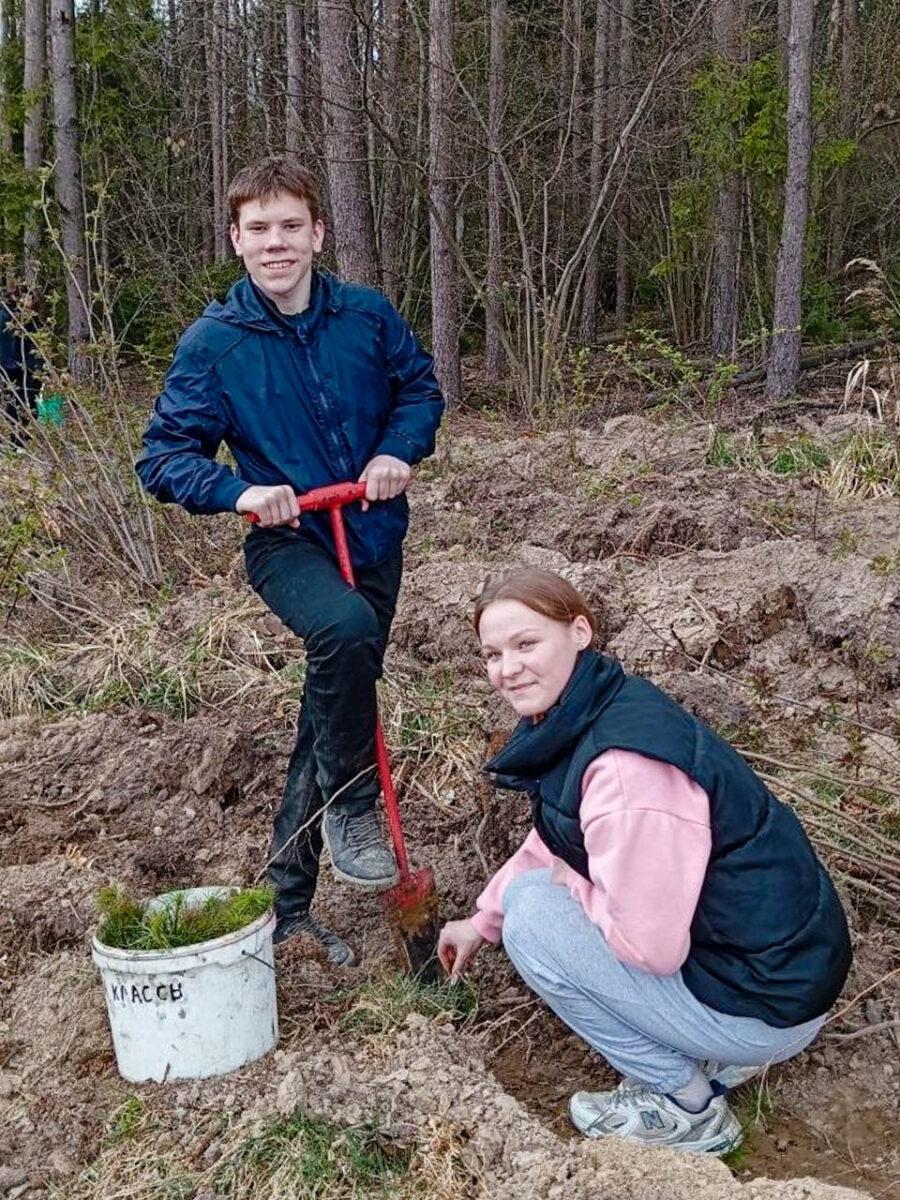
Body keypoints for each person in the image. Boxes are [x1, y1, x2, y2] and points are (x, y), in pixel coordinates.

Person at [137, 156, 444, 966]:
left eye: (290, 226)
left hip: (372, 535)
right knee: (342, 637)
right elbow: (163, 456)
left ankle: (287, 903)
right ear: (236, 240)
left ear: (318, 232)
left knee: (329, 710)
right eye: (258, 229)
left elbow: (419, 391)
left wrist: (395, 452)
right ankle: (352, 805)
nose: (276, 243)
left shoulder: (367, 317)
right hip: (290, 545)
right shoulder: (216, 345)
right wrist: (239, 492)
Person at [438, 568, 852, 1156]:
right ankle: (713, 1051)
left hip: (768, 1004)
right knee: (526, 900)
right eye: (492, 654)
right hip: (781, 973)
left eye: (526, 644)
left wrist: (570, 885)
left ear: (579, 631)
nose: (507, 669)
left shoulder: (624, 770)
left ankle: (687, 1105)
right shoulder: (596, 708)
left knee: (534, 918)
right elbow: (559, 836)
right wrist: (482, 921)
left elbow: (651, 947)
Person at [0, 287, 42, 448]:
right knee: (17, 401)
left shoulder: (29, 318)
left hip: (24, 366)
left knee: (26, 400)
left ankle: (22, 437)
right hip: (14, 366)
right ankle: (18, 441)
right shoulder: (10, 316)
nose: (26, 301)